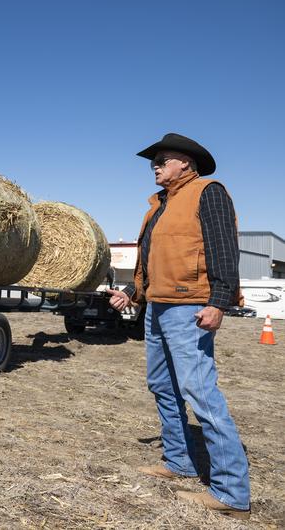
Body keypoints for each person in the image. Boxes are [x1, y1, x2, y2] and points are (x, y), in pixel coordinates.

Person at [105, 133, 250, 519]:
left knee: (200, 391)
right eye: (154, 161)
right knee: (163, 386)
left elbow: (224, 249)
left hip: (190, 307)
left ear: (186, 163)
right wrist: (134, 295)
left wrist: (219, 301)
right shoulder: (157, 207)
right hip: (158, 307)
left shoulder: (208, 191)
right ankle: (179, 461)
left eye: (163, 159)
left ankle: (232, 492)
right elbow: (151, 261)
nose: (155, 165)